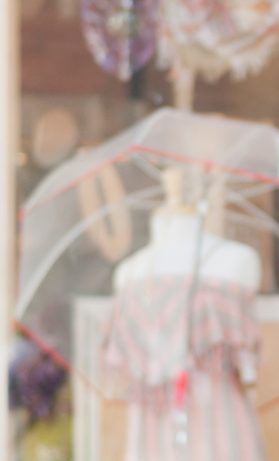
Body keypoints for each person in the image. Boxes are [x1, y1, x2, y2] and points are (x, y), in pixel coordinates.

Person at [103, 169, 268, 461]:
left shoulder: (236, 263)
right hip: (151, 438)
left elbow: (249, 368)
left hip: (221, 434)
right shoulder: (127, 275)